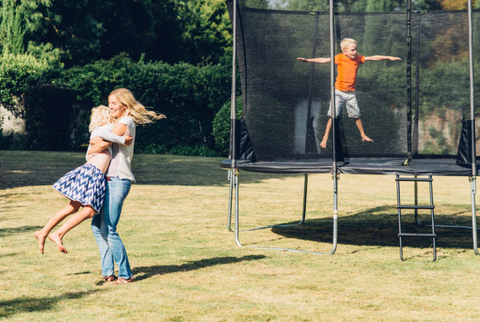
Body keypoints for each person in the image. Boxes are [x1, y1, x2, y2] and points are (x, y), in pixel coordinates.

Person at [88, 88, 166, 285]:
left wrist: (99, 141)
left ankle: (125, 274)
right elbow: (100, 142)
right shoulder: (118, 123)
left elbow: (98, 145)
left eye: (114, 103)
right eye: (110, 103)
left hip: (118, 180)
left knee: (110, 228)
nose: (111, 107)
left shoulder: (126, 121)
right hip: (106, 179)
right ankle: (108, 272)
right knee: (97, 226)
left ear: (124, 104)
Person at [34, 106, 132, 254]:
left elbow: (91, 151)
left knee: (73, 207)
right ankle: (58, 233)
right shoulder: (106, 128)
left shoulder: (97, 131)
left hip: (90, 172)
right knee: (90, 211)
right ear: (107, 117)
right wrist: (123, 139)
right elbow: (106, 141)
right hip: (93, 174)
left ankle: (44, 231)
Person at [297, 38, 402, 149]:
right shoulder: (340, 58)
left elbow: (373, 57)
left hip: (351, 93)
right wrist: (308, 60)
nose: (355, 52)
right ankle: (325, 137)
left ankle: (363, 135)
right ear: (345, 51)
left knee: (357, 115)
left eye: (356, 50)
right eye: (352, 50)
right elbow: (325, 60)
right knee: (333, 115)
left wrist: (389, 57)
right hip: (338, 92)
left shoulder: (358, 59)